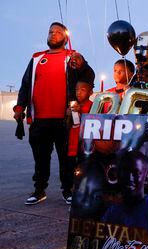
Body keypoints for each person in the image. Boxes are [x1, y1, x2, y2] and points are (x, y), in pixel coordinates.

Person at [13, 22, 95, 205]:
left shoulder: (72, 57)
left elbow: (89, 77)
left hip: (64, 119)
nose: (53, 34)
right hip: (39, 119)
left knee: (67, 158)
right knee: (40, 158)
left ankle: (68, 191)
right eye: (51, 32)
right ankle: (39, 190)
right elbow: (26, 84)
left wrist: (81, 66)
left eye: (58, 32)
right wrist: (20, 107)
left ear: (66, 38)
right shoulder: (36, 58)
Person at [102, 150, 148, 233]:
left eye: (136, 173)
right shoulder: (112, 212)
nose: (129, 178)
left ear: (146, 178)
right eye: (125, 172)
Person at [66, 80, 94, 204]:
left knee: (85, 168)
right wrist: (68, 114)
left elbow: (93, 121)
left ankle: (86, 191)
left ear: (90, 92)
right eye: (77, 90)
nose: (79, 93)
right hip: (73, 143)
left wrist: (81, 112)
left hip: (85, 143)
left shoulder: (93, 105)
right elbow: (69, 125)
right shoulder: (73, 105)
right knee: (72, 168)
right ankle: (72, 191)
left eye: (83, 90)